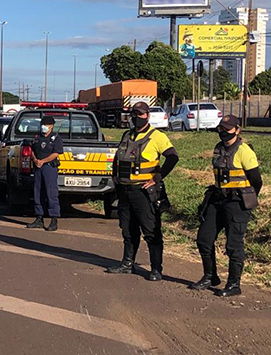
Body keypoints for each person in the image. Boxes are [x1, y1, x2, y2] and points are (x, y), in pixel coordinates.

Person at [106, 102, 179, 281]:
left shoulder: (157, 136)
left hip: (144, 192)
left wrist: (157, 178)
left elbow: (173, 157)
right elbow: (118, 158)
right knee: (128, 230)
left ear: (147, 115)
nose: (136, 117)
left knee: (151, 230)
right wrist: (115, 176)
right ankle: (127, 263)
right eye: (133, 114)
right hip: (125, 190)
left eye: (140, 114)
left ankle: (156, 269)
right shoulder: (126, 135)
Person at [191, 115, 262, 297]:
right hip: (217, 200)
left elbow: (257, 181)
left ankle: (234, 285)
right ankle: (210, 276)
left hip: (237, 203)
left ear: (237, 130)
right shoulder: (218, 148)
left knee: (233, 245)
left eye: (228, 129)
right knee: (204, 240)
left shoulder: (244, 151)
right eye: (221, 129)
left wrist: (246, 199)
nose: (223, 132)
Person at [26, 116, 64, 231]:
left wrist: (43, 161)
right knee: (38, 192)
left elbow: (56, 153)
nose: (44, 127)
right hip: (38, 168)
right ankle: (39, 217)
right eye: (43, 124)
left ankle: (53, 219)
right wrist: (35, 159)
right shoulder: (37, 137)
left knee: (51, 193)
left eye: (46, 125)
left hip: (49, 168)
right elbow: (31, 149)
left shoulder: (56, 138)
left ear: (51, 126)